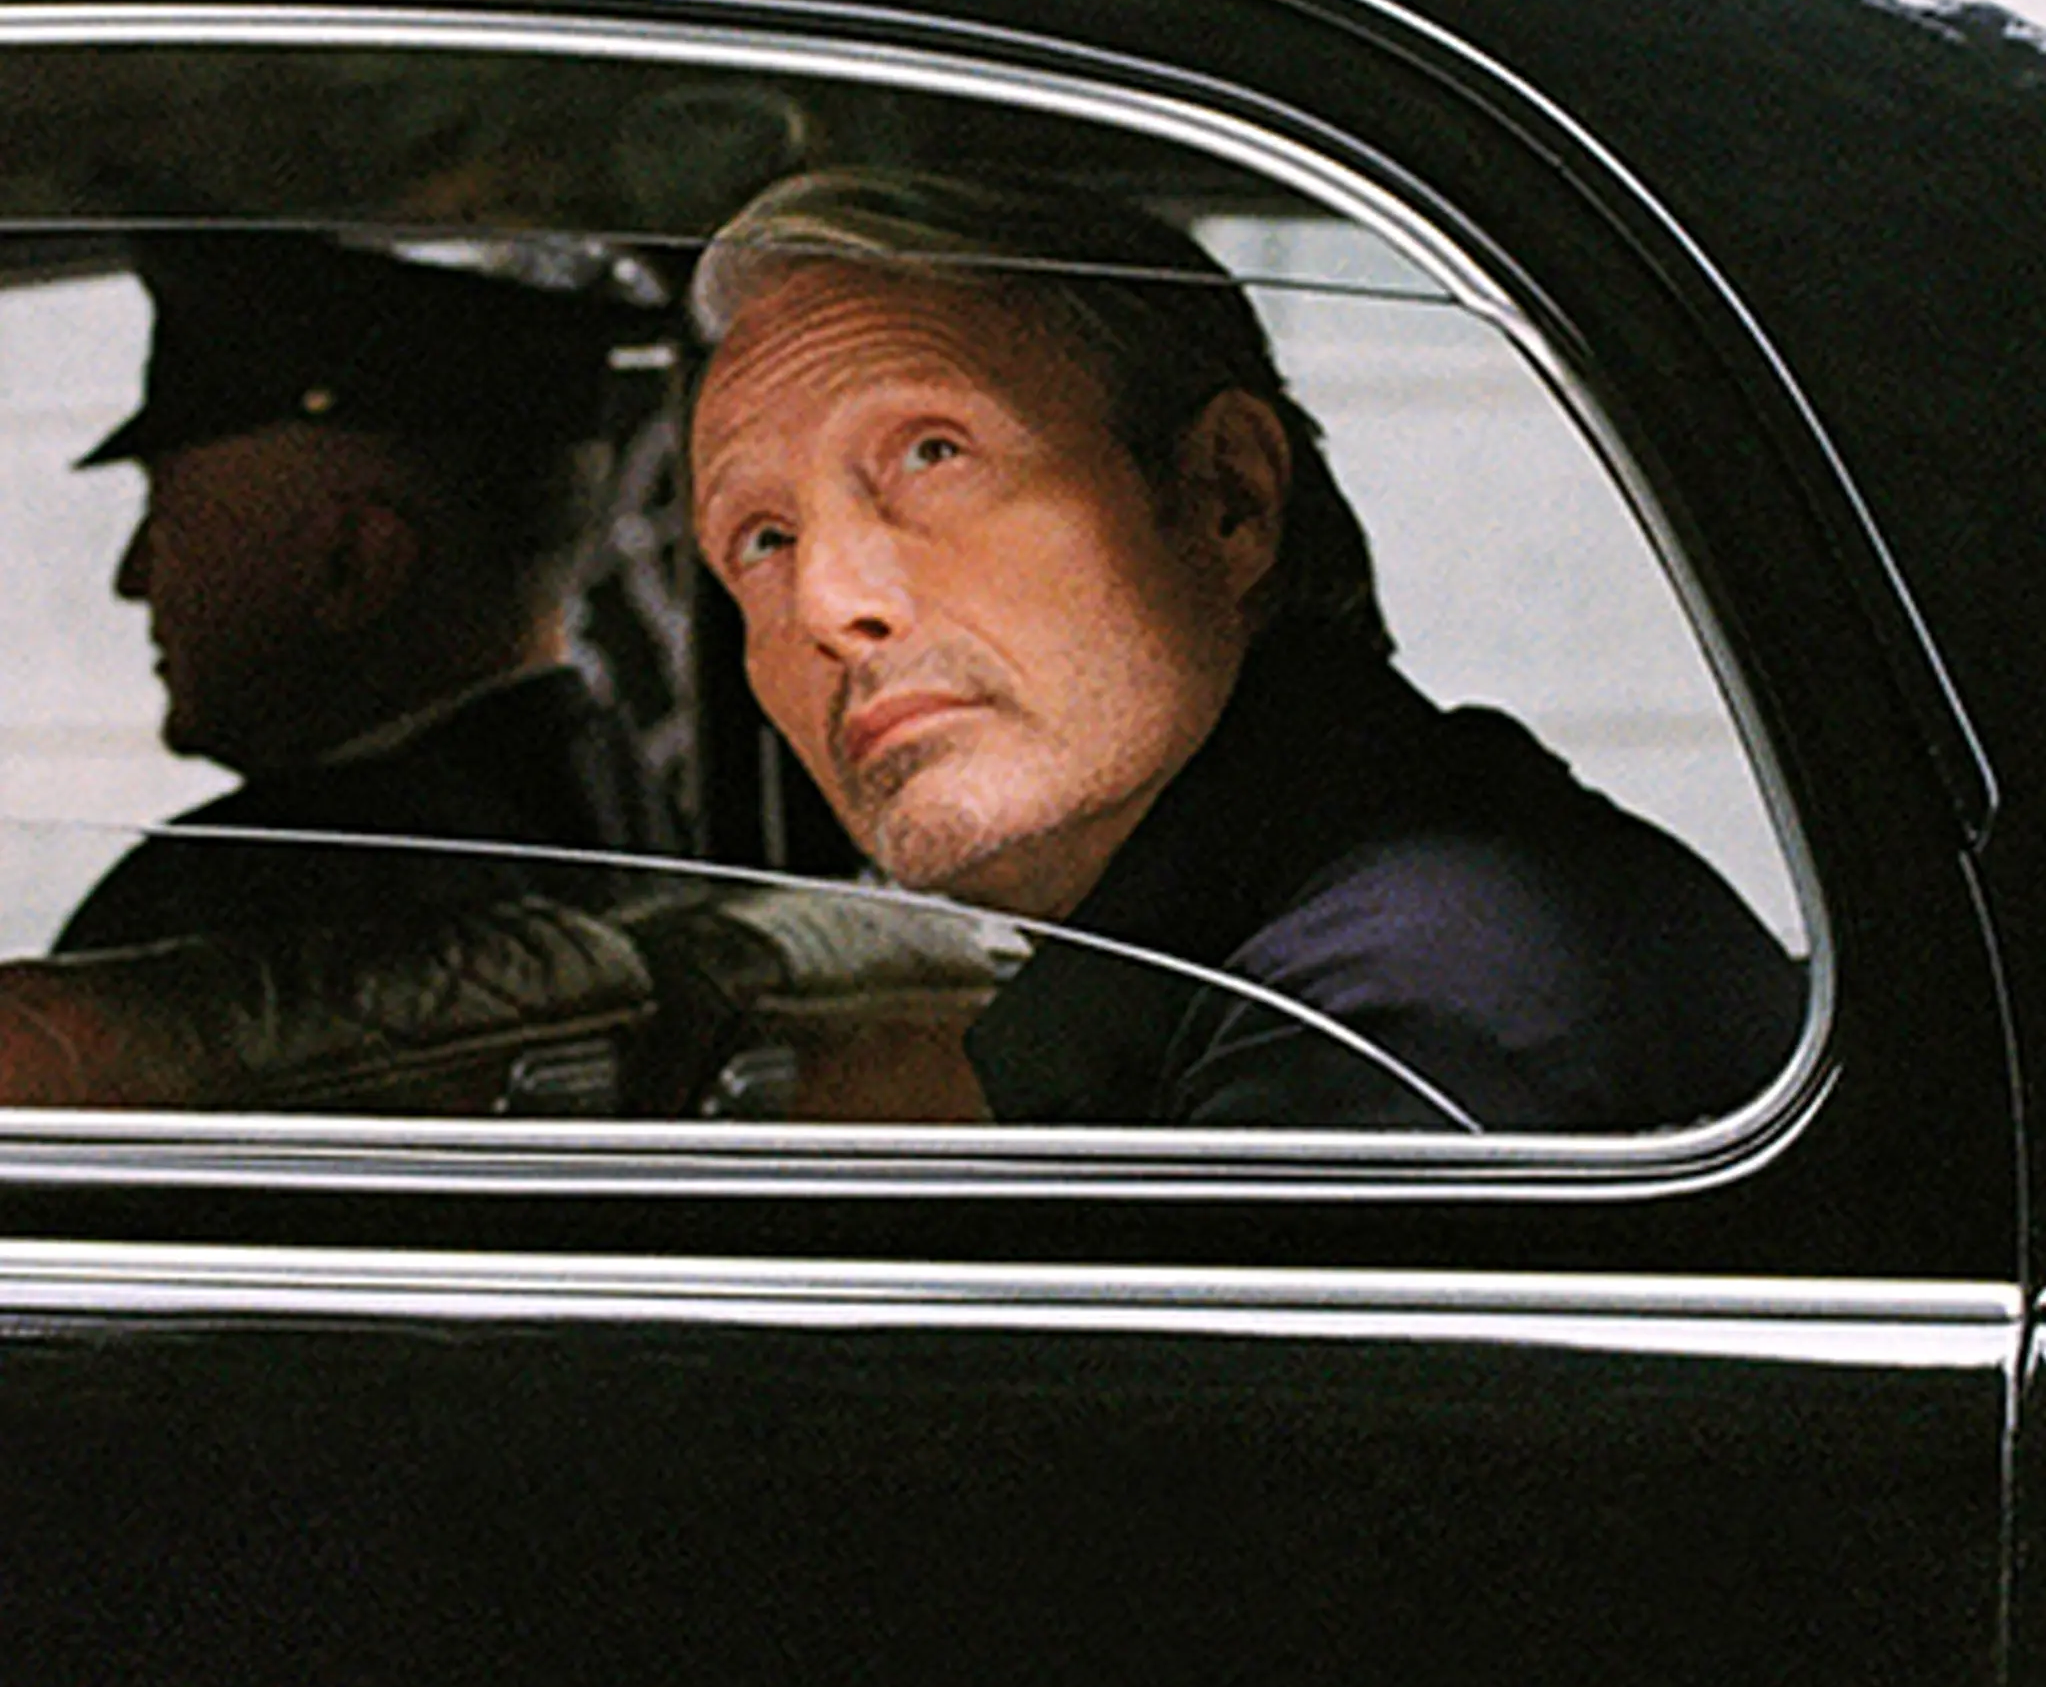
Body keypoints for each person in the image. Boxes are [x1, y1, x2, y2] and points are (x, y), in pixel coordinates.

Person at [686, 168, 1805, 1131]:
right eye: (765, 539)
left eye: (933, 454)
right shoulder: (1330, 920)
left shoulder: (1398, 1013)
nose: (829, 604)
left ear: (1227, 497)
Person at [52, 229, 682, 954]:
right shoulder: (649, 827)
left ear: (352, 563)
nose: (130, 580)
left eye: (164, 526)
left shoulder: (225, 908)